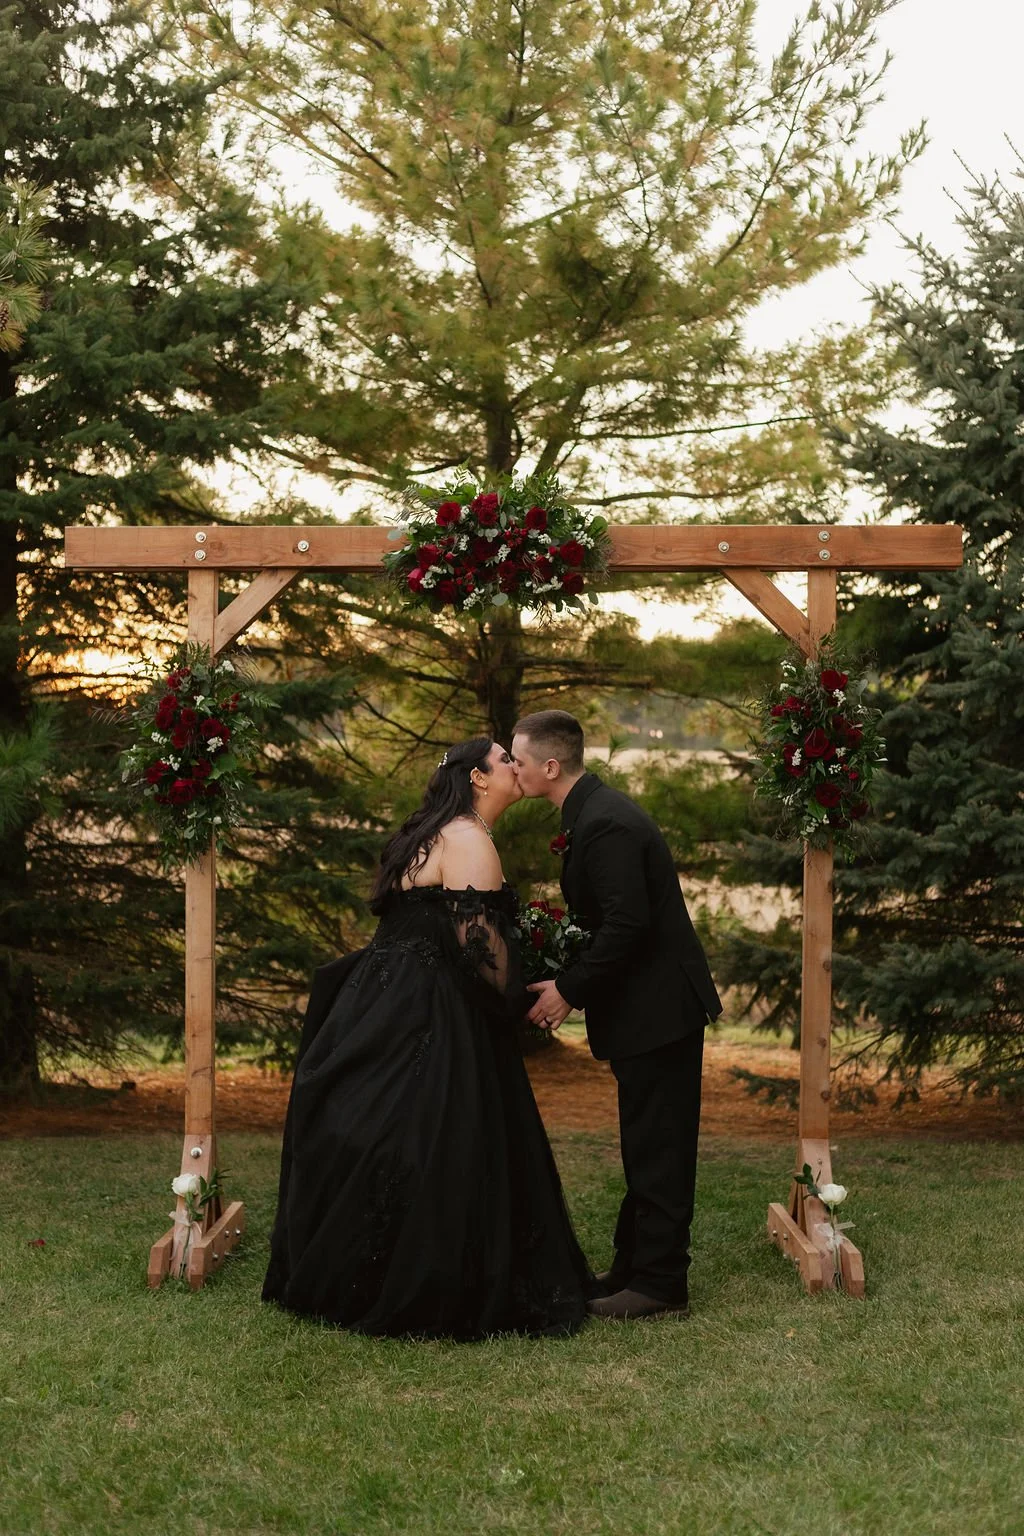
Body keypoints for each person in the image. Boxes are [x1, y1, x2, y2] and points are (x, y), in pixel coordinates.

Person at [262, 737, 592, 1339]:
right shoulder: (470, 841)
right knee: (446, 1131)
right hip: (435, 1010)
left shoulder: (428, 835)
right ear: (478, 778)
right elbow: (480, 953)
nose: (515, 769)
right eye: (504, 761)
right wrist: (519, 994)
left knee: (393, 1126)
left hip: (381, 1000)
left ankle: (357, 1266)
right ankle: (430, 1279)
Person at [511, 710, 723, 1321]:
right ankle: (633, 1266)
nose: (516, 771)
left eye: (520, 761)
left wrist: (568, 990)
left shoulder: (605, 824)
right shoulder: (593, 813)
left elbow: (628, 924)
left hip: (660, 1011)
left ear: (551, 766)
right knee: (644, 1139)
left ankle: (661, 1284)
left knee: (659, 1144)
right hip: (645, 1009)